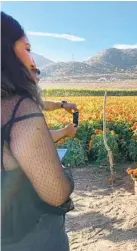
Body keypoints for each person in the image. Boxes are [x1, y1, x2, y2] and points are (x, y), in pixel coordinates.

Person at [1, 11, 74, 250]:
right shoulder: (17, 108)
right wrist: (68, 177)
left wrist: (63, 105)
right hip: (26, 234)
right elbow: (55, 193)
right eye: (27, 48)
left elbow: (46, 107)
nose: (34, 61)